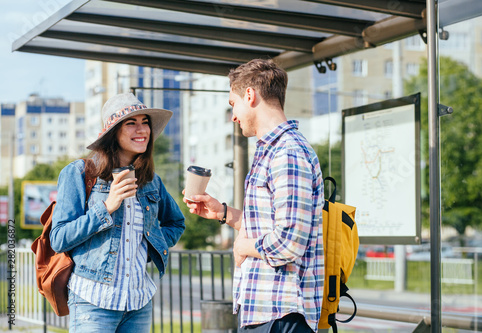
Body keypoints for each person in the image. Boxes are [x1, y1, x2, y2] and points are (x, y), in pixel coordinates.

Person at [184, 59, 324, 332]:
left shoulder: (287, 153)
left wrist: (242, 247)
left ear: (250, 95)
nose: (233, 116)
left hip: (280, 314)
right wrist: (225, 214)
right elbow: (270, 225)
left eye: (232, 104)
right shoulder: (272, 151)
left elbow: (290, 241)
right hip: (268, 312)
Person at [50, 93, 185, 333]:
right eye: (131, 123)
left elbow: (176, 222)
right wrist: (106, 207)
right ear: (113, 133)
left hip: (138, 303)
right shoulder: (80, 173)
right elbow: (59, 238)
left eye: (145, 122)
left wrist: (148, 247)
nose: (141, 129)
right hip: (93, 301)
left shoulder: (152, 181)